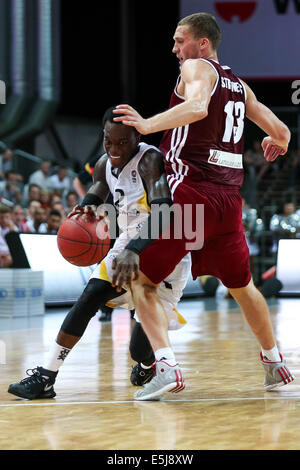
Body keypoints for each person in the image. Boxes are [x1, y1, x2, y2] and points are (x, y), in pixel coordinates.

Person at [111, 12, 295, 400]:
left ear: (202, 44)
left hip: (190, 194)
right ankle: (275, 363)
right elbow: (282, 132)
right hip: (228, 201)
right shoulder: (240, 86)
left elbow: (195, 108)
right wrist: (274, 143)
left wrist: (146, 125)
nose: (175, 49)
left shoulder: (197, 67)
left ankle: (166, 368)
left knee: (138, 278)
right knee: (243, 287)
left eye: (180, 41)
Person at [7, 107, 191, 399]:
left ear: (137, 136)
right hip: (127, 243)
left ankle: (148, 364)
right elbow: (100, 187)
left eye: (122, 142)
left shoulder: (150, 159)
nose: (115, 148)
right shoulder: (105, 162)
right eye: (109, 141)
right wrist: (87, 205)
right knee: (90, 296)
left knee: (138, 349)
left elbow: (163, 212)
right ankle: (46, 375)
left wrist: (134, 249)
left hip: (163, 247)